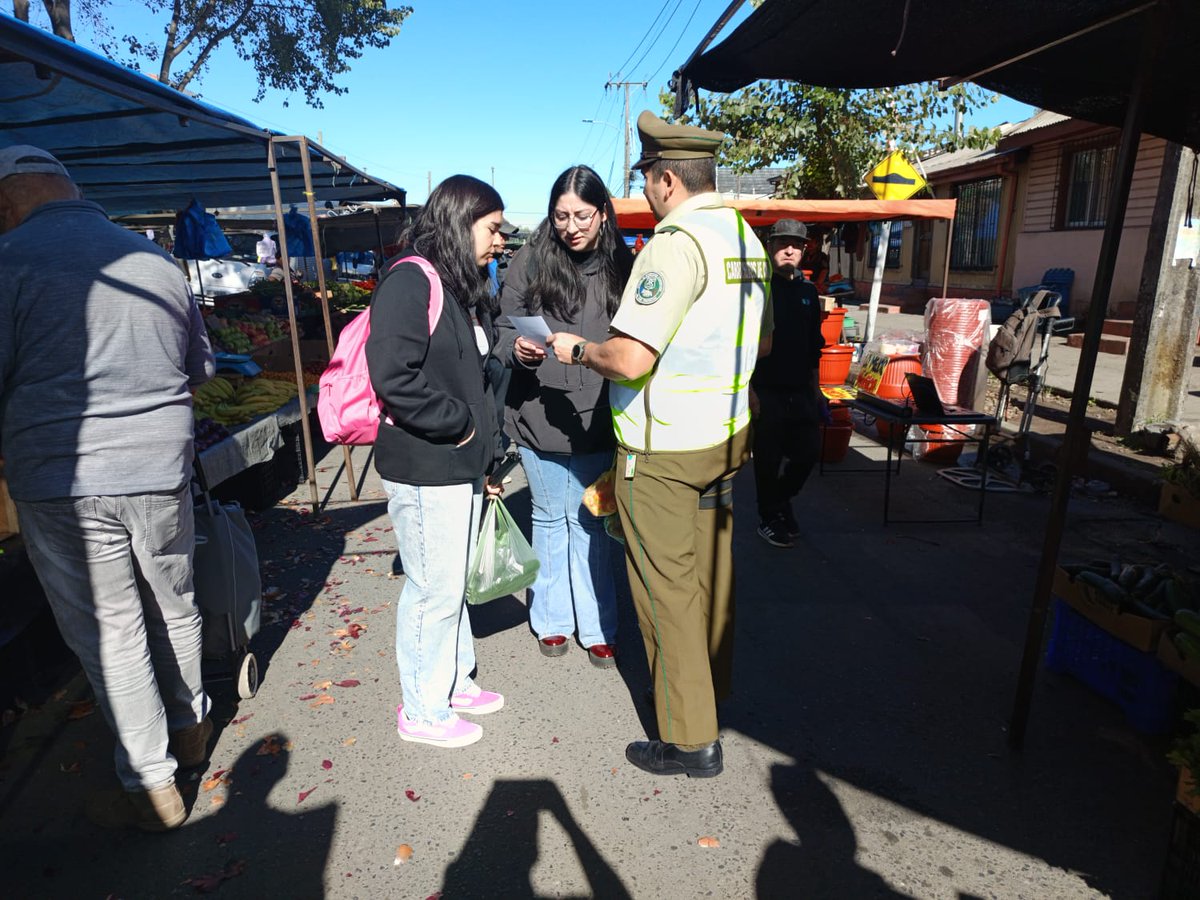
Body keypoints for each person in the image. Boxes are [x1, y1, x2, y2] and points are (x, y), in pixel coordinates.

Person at [548, 112, 771, 778]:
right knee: (710, 582)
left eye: (647, 179)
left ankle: (689, 738)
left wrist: (578, 348)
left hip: (664, 450)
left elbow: (630, 357)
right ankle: (707, 694)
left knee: (665, 592)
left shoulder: (674, 244)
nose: (645, 191)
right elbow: (763, 346)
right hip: (723, 436)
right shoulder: (742, 238)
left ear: (668, 177)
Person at [0, 146, 215, 830]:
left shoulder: (7, 263)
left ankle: (153, 780)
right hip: (159, 465)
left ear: (6, 205)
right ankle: (192, 727)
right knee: (174, 602)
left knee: (111, 629)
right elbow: (201, 366)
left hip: (62, 475)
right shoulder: (154, 260)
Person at [366, 174, 507, 750]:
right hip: (426, 463)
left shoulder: (455, 285)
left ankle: (452, 680)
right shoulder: (410, 280)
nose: (499, 240)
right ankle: (422, 709)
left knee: (453, 582)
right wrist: (461, 425)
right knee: (433, 588)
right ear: (460, 218)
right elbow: (392, 377)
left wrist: (483, 446)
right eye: (493, 228)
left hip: (457, 462)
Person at [495, 165, 633, 667]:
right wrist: (518, 346)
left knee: (593, 521)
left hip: (600, 413)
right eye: (560, 216)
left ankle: (598, 627)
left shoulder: (624, 261)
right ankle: (551, 620)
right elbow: (502, 320)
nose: (571, 226)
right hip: (538, 413)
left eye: (581, 215)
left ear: (602, 214)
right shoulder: (529, 260)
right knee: (550, 518)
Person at [751, 219, 826, 548]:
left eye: (796, 244)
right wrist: (748, 390)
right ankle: (769, 518)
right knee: (767, 460)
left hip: (800, 391)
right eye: (783, 243)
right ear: (771, 247)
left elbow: (815, 347)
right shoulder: (757, 289)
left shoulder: (809, 292)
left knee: (808, 453)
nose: (790, 249)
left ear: (805, 250)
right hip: (766, 391)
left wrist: (817, 389)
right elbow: (743, 344)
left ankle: (780, 501)